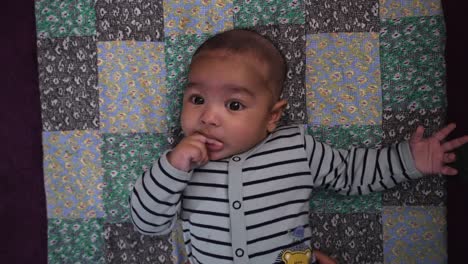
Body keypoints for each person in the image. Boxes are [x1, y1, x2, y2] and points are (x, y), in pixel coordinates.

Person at [129, 29, 468, 264]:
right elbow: (148, 223)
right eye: (197, 98)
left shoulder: (296, 150)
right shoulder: (180, 166)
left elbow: (351, 173)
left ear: (272, 116)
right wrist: (173, 166)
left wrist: (410, 159)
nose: (208, 117)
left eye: (234, 105)